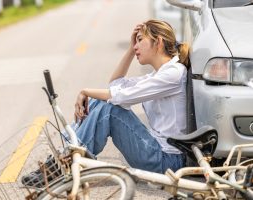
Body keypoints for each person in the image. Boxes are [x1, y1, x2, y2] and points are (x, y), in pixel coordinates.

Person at [73, 19, 190, 173]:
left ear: (158, 42)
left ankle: (70, 160)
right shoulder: (158, 74)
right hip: (157, 152)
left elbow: (120, 96)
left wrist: (85, 91)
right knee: (101, 100)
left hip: (168, 160)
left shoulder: (173, 73)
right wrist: (130, 50)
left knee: (110, 109)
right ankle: (67, 155)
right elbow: (115, 85)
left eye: (140, 40)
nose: (136, 46)